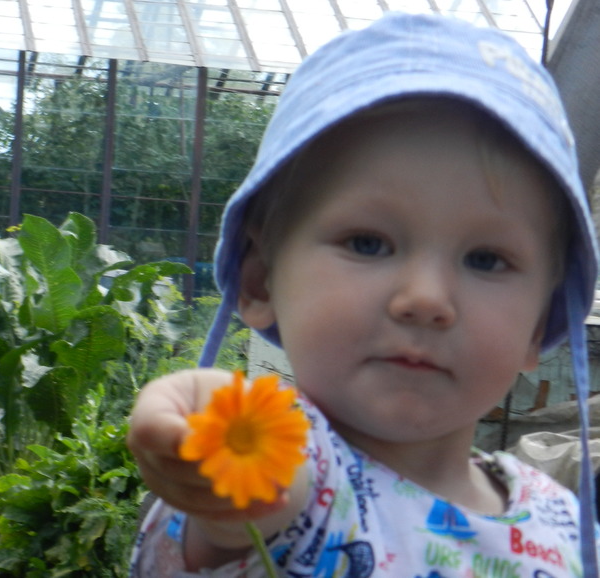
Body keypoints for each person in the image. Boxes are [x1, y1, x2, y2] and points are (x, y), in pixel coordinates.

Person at [127, 12, 600, 577]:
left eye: (485, 259)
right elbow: (267, 487)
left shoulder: (566, 527)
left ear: (541, 320)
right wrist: (225, 438)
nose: (426, 298)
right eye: (368, 243)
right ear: (259, 280)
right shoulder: (299, 479)